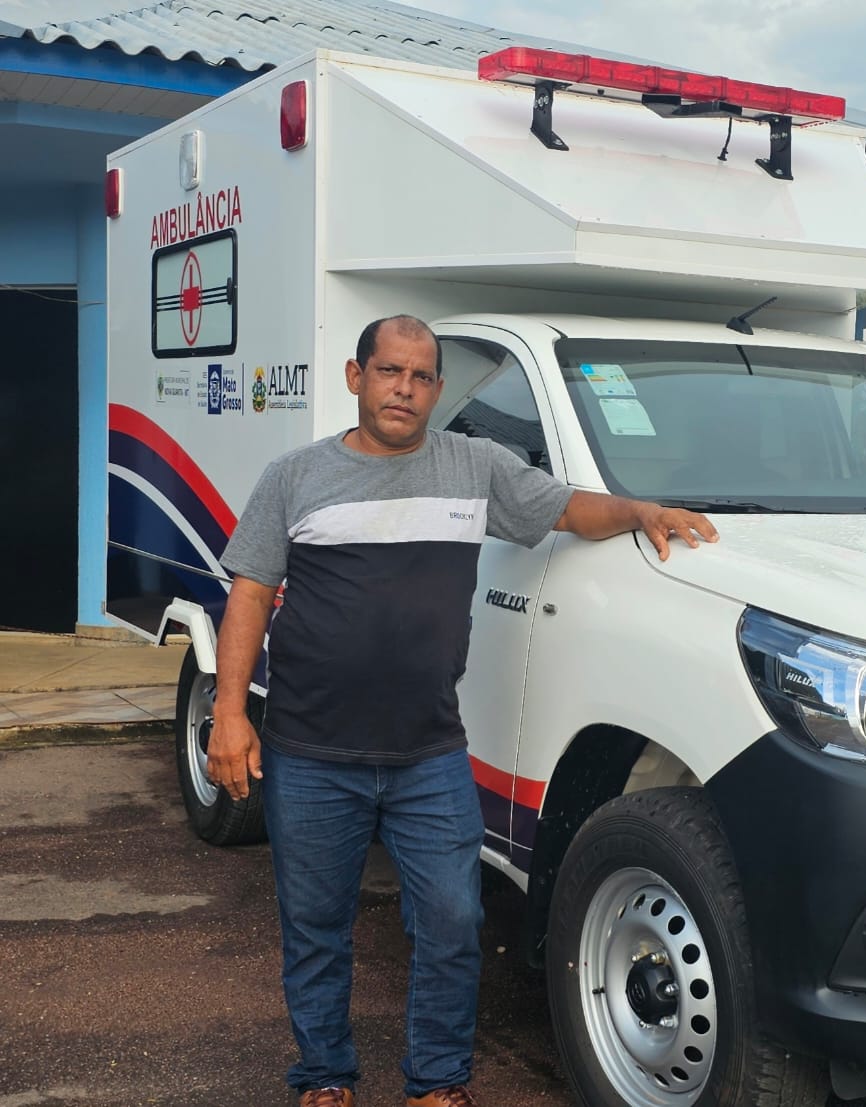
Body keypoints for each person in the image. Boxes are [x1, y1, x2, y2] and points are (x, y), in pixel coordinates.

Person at [207, 314, 718, 1107]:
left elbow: (567, 508)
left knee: (450, 925)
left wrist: (641, 512)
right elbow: (247, 595)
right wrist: (229, 714)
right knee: (315, 931)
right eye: (389, 372)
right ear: (356, 377)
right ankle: (324, 1077)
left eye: (420, 376)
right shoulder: (295, 477)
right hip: (311, 754)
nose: (403, 389)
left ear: (437, 390)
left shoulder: (474, 465)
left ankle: (436, 1084)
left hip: (428, 755)